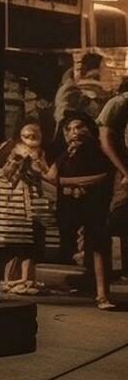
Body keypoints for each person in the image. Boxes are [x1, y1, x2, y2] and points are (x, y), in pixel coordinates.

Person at [48, 113, 120, 311]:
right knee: (82, 248)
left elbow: (101, 177)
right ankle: (92, 288)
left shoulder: (98, 154)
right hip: (71, 208)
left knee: (98, 247)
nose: (74, 133)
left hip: (95, 206)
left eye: (79, 127)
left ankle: (102, 295)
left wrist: (70, 183)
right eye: (70, 129)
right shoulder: (64, 156)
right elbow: (50, 178)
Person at [0, 122, 55, 295]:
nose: (30, 140)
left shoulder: (41, 154)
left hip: (34, 201)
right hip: (13, 202)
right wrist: (16, 161)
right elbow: (4, 173)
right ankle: (10, 280)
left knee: (31, 243)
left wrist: (37, 162)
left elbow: (47, 174)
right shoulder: (15, 151)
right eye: (26, 136)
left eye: (34, 136)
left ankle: (27, 279)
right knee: (12, 243)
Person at [98, 77, 128, 282]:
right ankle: (113, 268)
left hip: (122, 167)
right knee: (117, 213)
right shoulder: (119, 103)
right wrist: (123, 170)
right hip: (117, 169)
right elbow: (105, 139)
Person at [54, 52, 109, 123]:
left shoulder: (72, 88)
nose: (106, 73)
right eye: (103, 68)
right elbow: (63, 115)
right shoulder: (70, 90)